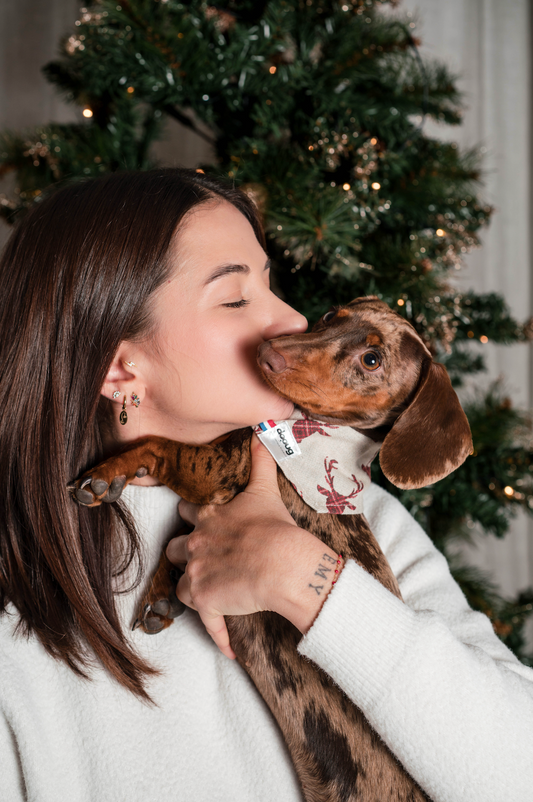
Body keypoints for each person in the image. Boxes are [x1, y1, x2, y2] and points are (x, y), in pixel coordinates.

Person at [0, 168, 531, 802]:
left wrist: (308, 581)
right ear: (121, 365)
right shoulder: (19, 625)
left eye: (270, 283)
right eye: (235, 297)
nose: (292, 319)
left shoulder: (361, 518)